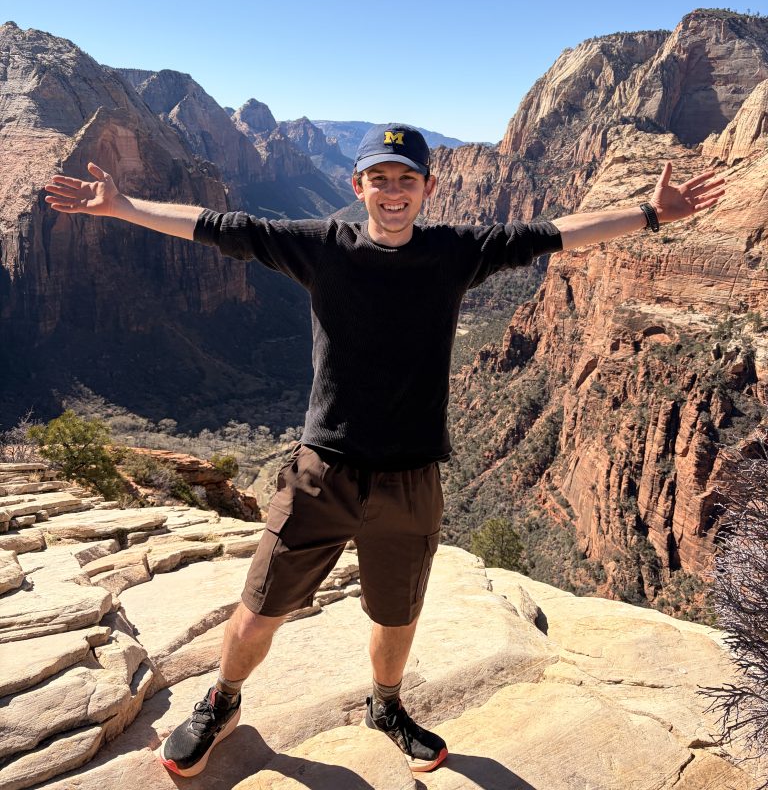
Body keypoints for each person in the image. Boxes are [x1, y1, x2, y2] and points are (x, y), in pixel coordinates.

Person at [44, 123, 725, 776]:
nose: (392, 192)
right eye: (379, 179)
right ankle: (223, 699)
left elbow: (554, 233)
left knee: (397, 616)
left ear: (428, 187)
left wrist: (649, 214)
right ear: (359, 185)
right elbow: (222, 227)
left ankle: (386, 705)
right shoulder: (323, 247)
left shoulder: (455, 253)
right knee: (257, 613)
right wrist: (125, 206)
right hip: (322, 472)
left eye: (406, 180)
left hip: (411, 479)